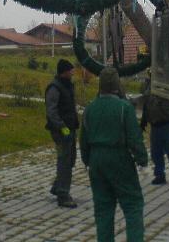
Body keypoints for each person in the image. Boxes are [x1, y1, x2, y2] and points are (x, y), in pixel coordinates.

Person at [80, 67, 148, 242]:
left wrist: (88, 161)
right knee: (133, 205)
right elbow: (134, 138)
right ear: (117, 85)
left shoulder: (89, 109)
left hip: (96, 161)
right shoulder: (124, 108)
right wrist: (142, 159)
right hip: (119, 158)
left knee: (103, 210)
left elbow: (83, 140)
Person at [45, 58, 79, 208]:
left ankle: (57, 187)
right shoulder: (54, 88)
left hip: (70, 128)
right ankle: (63, 195)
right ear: (64, 72)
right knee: (64, 162)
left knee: (70, 160)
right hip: (61, 131)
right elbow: (51, 112)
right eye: (70, 70)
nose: (73, 72)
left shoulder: (67, 85)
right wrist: (62, 127)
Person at [141, 93, 169, 185]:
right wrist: (144, 120)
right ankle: (159, 175)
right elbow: (146, 104)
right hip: (155, 125)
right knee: (156, 152)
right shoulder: (150, 88)